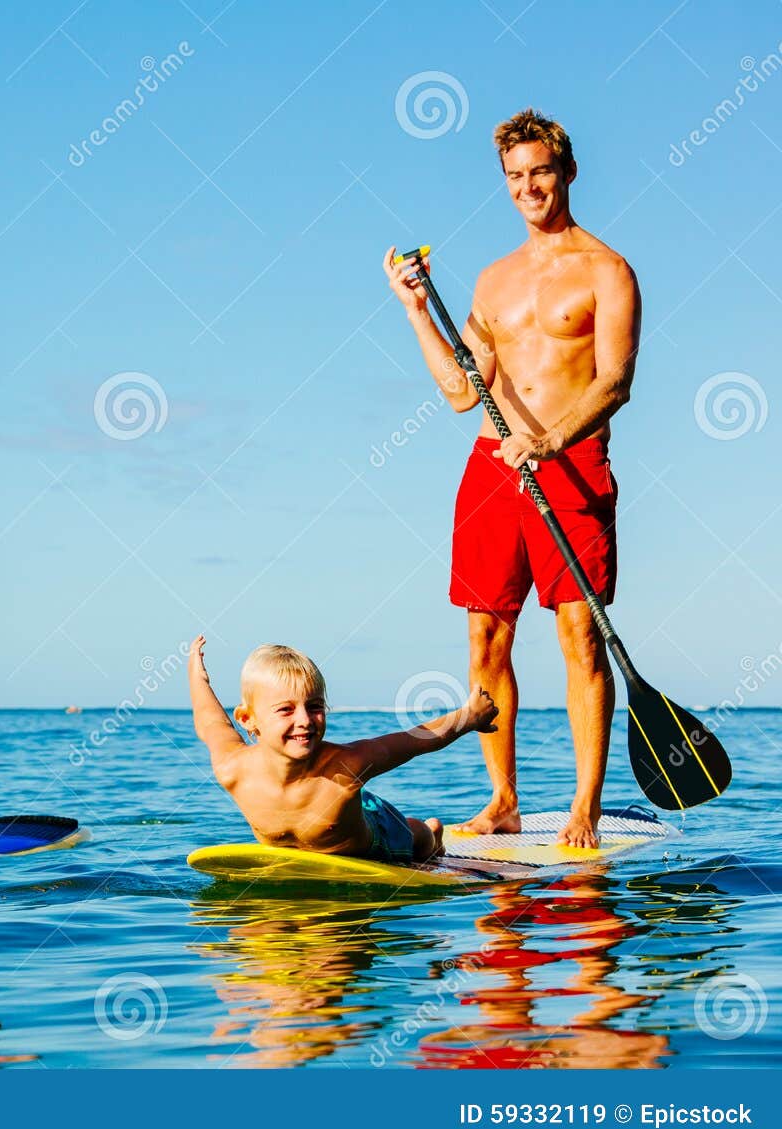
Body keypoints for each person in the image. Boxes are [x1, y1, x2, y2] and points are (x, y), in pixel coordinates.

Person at [383, 108, 641, 849]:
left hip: (572, 465)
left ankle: (584, 806)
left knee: (578, 637)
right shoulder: (494, 281)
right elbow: (464, 390)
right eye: (515, 176)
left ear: (568, 172)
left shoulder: (608, 270)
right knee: (485, 639)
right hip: (494, 470)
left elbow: (616, 380)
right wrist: (414, 311)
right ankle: (502, 800)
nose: (529, 186)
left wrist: (552, 438)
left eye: (540, 171)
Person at [188, 637, 498, 863]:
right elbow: (211, 723)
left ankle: (432, 832)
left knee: (414, 837)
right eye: (286, 710)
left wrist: (468, 717)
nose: (304, 721)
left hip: (374, 840)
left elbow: (413, 741)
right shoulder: (234, 770)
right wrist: (197, 677)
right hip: (340, 809)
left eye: (315, 707)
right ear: (247, 719)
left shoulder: (348, 763)